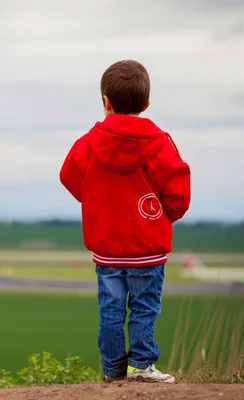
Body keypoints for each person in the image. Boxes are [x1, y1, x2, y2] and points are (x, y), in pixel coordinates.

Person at [59, 60, 191, 383]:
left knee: (110, 312)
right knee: (145, 309)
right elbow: (179, 194)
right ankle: (141, 367)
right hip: (147, 248)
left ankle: (112, 372)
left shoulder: (90, 143)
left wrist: (95, 203)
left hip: (107, 250)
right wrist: (161, 217)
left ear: (106, 102)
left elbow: (68, 175)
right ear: (146, 104)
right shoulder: (160, 143)